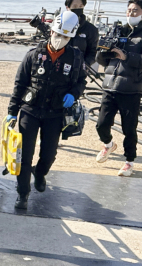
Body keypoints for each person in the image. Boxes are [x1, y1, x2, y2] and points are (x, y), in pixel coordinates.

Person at [7, 11, 86, 210]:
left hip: (55, 113)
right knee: (24, 155)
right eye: (58, 34)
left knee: (49, 153)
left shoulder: (75, 58)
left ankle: (40, 173)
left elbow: (81, 82)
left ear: (71, 37)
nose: (60, 39)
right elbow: (20, 83)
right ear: (51, 32)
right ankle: (22, 194)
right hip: (30, 110)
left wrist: (74, 94)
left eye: (65, 37)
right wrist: (12, 111)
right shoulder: (33, 54)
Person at [94, 0, 142, 177]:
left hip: (131, 90)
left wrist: (126, 56)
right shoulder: (117, 32)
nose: (130, 13)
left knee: (129, 129)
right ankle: (108, 145)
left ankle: (129, 162)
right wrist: (103, 50)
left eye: (135, 11)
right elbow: (101, 60)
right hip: (110, 86)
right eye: (129, 10)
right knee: (101, 125)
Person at [63, 0, 99, 68]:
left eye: (80, 6)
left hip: (78, 69)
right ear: (67, 7)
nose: (78, 9)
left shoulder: (91, 29)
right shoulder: (59, 25)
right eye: (75, 6)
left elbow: (93, 52)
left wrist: (84, 64)